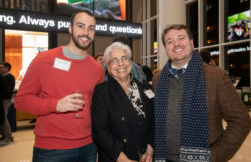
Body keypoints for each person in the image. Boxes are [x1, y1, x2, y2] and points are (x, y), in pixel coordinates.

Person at [152, 24, 251, 162]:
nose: (176, 44)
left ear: (192, 43)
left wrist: (214, 157)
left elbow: (241, 121)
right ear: (166, 49)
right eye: (170, 41)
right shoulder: (158, 80)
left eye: (181, 38)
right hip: (164, 157)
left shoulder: (215, 76)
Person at [15, 10, 104, 162]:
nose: (86, 32)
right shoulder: (44, 60)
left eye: (91, 28)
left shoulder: (97, 69)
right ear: (70, 28)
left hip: (89, 146)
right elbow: (21, 100)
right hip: (51, 150)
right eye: (80, 26)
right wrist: (56, 105)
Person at [91, 42, 154, 162]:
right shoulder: (102, 92)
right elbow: (100, 131)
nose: (121, 64)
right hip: (116, 157)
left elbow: (155, 122)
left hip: (145, 156)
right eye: (114, 60)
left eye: (124, 58)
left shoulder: (146, 88)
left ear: (130, 62)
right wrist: (124, 160)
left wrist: (150, 151)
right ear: (108, 68)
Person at [0, 62, 15, 146]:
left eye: (2, 67)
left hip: (6, 100)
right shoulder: (2, 77)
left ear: (7, 68)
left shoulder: (10, 77)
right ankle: (4, 135)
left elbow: (8, 91)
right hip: (1, 99)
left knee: (4, 117)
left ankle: (9, 136)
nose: (0, 69)